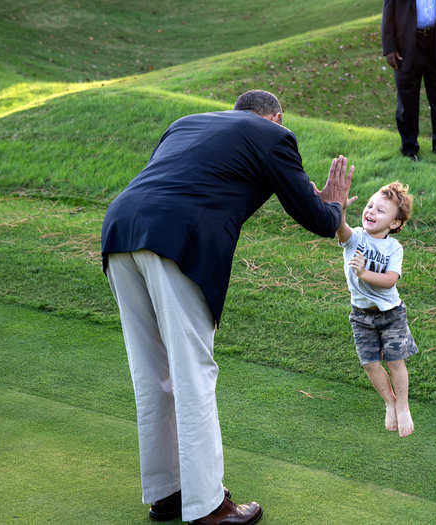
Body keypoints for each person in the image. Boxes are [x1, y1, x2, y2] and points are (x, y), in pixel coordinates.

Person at [101, 89, 353, 524]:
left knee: (152, 372)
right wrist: (333, 205)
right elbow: (315, 218)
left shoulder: (186, 123)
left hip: (120, 228)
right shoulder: (274, 136)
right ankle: (210, 508)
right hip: (178, 240)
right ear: (275, 117)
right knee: (193, 373)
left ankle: (169, 493)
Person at [337, 181, 418, 438]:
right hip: (361, 315)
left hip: (390, 313)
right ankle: (389, 402)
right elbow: (341, 231)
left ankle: (403, 406)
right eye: (370, 206)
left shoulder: (394, 248)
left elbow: (390, 280)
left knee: (395, 361)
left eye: (381, 211)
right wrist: (338, 210)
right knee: (370, 363)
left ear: (395, 223)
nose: (371, 212)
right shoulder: (357, 238)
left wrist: (363, 273)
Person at [381, 0, 436, 160]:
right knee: (407, 102)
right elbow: (388, 13)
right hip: (406, 46)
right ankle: (409, 150)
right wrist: (389, 48)